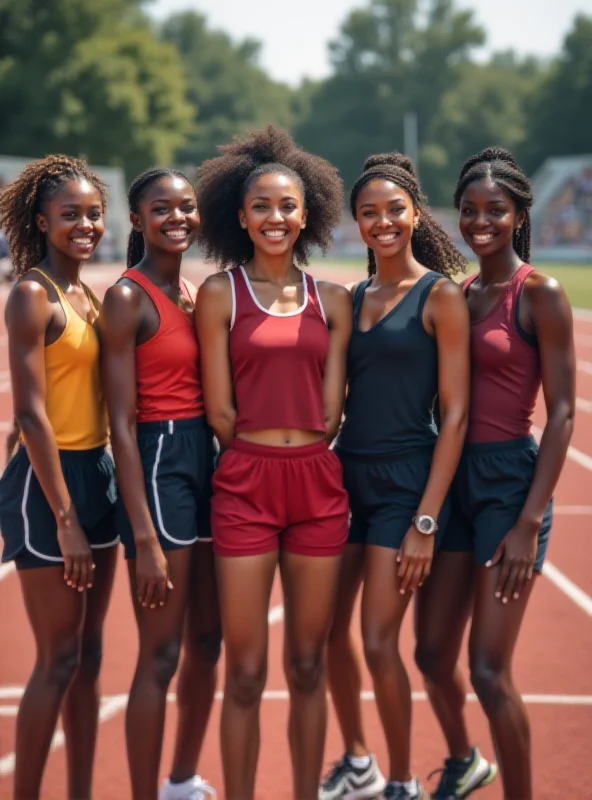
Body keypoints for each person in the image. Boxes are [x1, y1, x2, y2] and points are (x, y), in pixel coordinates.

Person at [194, 125, 352, 800]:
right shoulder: (220, 295)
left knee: (310, 664)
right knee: (248, 671)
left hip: (317, 481)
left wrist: (301, 449)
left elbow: (333, 407)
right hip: (246, 484)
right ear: (240, 214)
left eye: (287, 206)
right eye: (262, 206)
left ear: (306, 214)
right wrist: (259, 453)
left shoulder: (334, 300)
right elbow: (220, 412)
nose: (275, 218)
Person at [414, 147, 575, 800]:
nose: (481, 222)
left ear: (518, 215)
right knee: (428, 654)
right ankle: (465, 761)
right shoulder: (458, 293)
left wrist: (528, 522)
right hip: (453, 483)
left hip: (511, 486)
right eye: (471, 211)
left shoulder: (540, 294)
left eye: (495, 211)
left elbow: (563, 412)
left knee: (487, 669)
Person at [320, 153, 472, 800]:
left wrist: (426, 520)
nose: (382, 222)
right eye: (368, 213)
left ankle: (403, 782)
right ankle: (359, 762)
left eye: (394, 210)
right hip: (348, 476)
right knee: (328, 632)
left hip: (407, 483)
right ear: (356, 223)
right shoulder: (353, 299)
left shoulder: (441, 296)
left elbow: (458, 414)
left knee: (378, 640)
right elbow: (331, 406)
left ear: (415, 213)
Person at [99, 168, 220, 800]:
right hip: (159, 458)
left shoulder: (195, 291)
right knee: (161, 653)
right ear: (139, 220)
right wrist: (143, 537)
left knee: (207, 641)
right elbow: (119, 423)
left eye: (187, 207)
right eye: (162, 208)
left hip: (207, 458)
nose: (178, 217)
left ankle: (180, 781)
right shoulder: (127, 298)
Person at [0, 155, 118, 800]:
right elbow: (28, 413)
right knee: (58, 658)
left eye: (93, 213)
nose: (84, 224)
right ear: (42, 219)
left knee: (91, 656)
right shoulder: (32, 294)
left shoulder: (88, 295)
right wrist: (66, 518)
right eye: (70, 214)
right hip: (51, 491)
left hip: (96, 472)